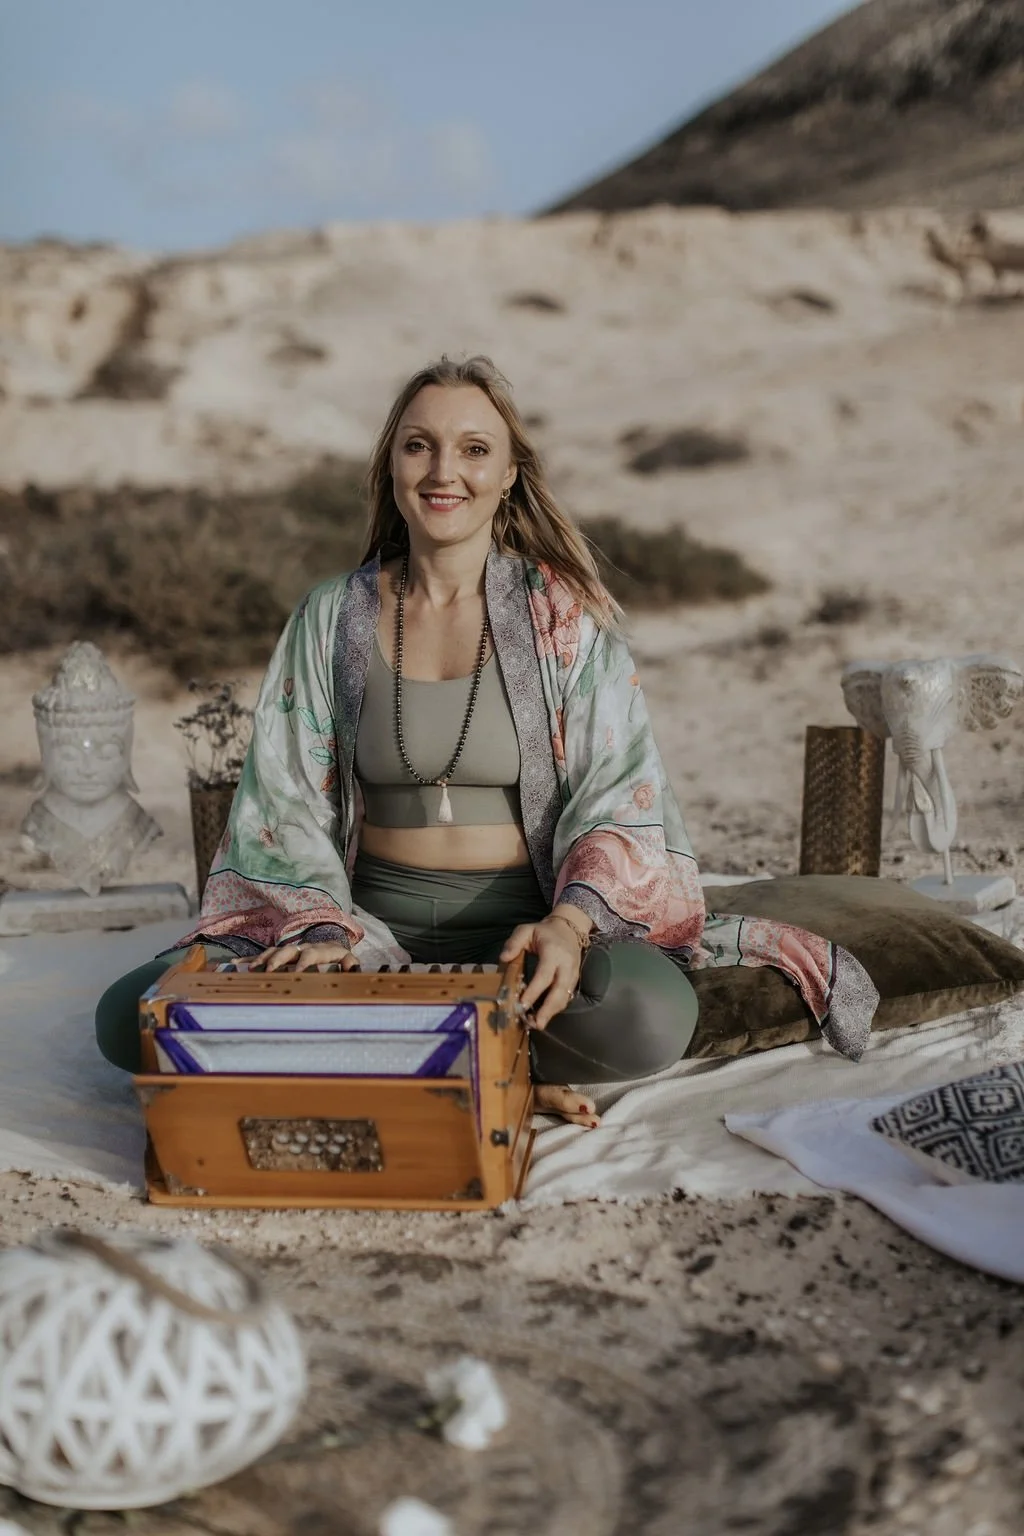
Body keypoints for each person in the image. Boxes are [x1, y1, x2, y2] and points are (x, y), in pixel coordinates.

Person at [96, 356, 877, 1116]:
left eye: (474, 450)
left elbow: (618, 793)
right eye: (418, 445)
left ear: (507, 474)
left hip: (525, 932)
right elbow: (284, 801)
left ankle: (388, 1057)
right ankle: (498, 1072)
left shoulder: (562, 616)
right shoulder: (329, 616)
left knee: (644, 1014)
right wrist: (321, 925)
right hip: (363, 932)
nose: (445, 472)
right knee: (132, 1014)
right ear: (391, 467)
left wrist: (570, 927)